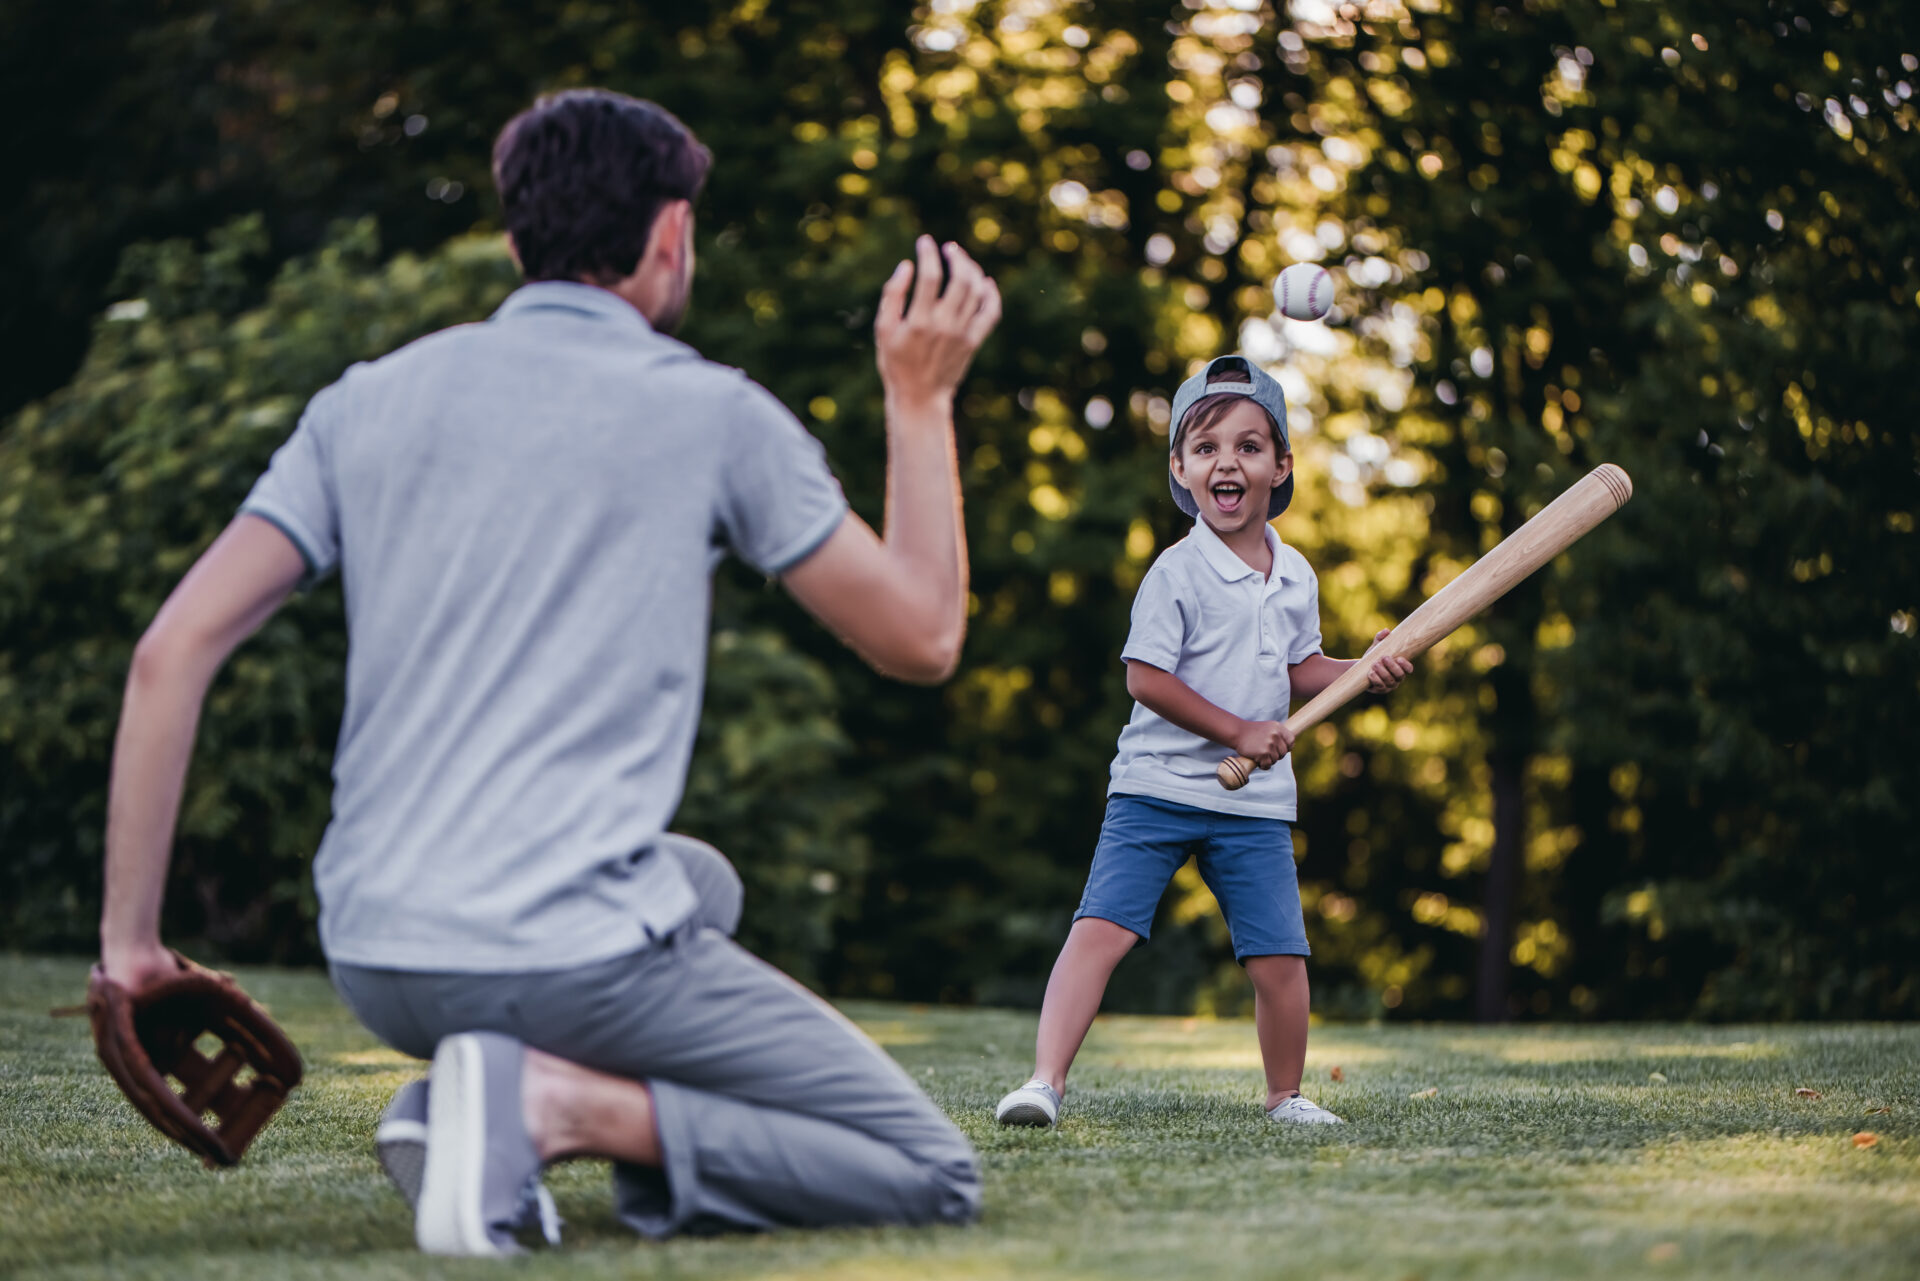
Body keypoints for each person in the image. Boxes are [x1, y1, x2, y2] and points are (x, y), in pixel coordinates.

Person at [96, 88, 1001, 1256]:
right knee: (929, 1171)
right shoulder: (715, 413)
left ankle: (454, 1106)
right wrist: (918, 398)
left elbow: (171, 653)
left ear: (519, 236)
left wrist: (129, 945)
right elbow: (922, 639)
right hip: (562, 961)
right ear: (671, 233)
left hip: (380, 951)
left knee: (702, 886)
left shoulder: (363, 401)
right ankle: (551, 1108)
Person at [992, 355, 1411, 1131]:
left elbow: (1305, 668)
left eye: (1251, 446)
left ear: (1280, 466)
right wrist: (1239, 730)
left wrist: (1367, 669)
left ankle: (1285, 1096)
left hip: (1251, 801)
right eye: (1208, 446)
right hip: (1154, 785)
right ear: (1181, 468)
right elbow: (1145, 680)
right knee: (1101, 931)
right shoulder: (1175, 573)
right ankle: (1043, 1083)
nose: (1229, 462)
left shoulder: (1296, 575)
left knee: (1279, 957)